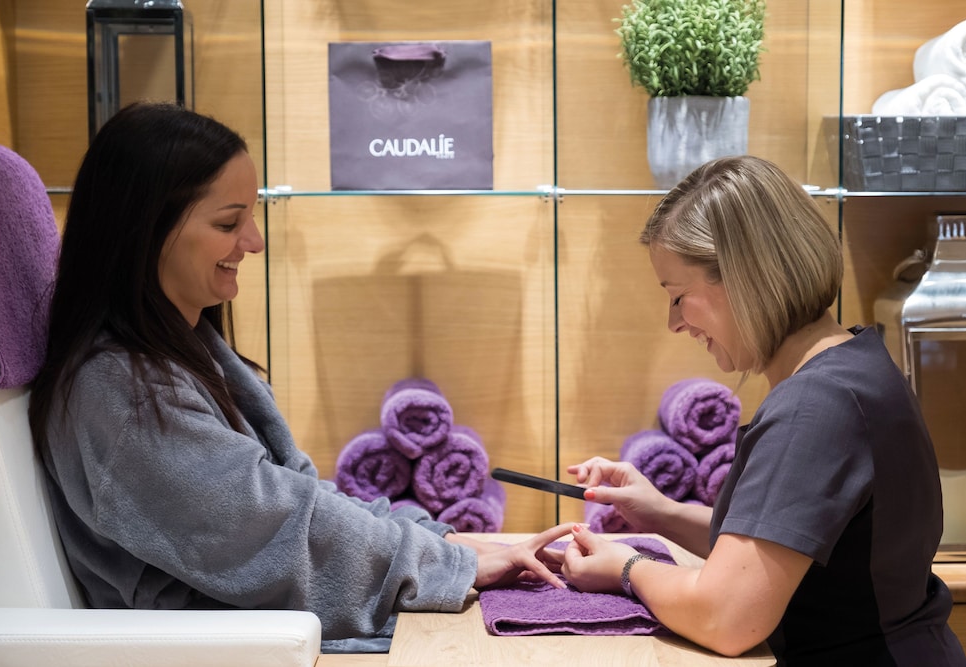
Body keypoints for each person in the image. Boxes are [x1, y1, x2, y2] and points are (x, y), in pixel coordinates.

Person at [28, 102, 571, 653]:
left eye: (252, 216)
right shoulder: (120, 397)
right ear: (146, 231)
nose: (255, 241)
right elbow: (273, 528)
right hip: (212, 649)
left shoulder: (175, 354)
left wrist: (447, 546)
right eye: (228, 223)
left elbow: (293, 499)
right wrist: (446, 562)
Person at [558, 155, 966, 666]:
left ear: (744, 278)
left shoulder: (816, 406)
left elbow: (726, 617)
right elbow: (780, 548)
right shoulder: (856, 366)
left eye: (678, 297)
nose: (674, 323)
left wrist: (627, 567)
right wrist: (658, 511)